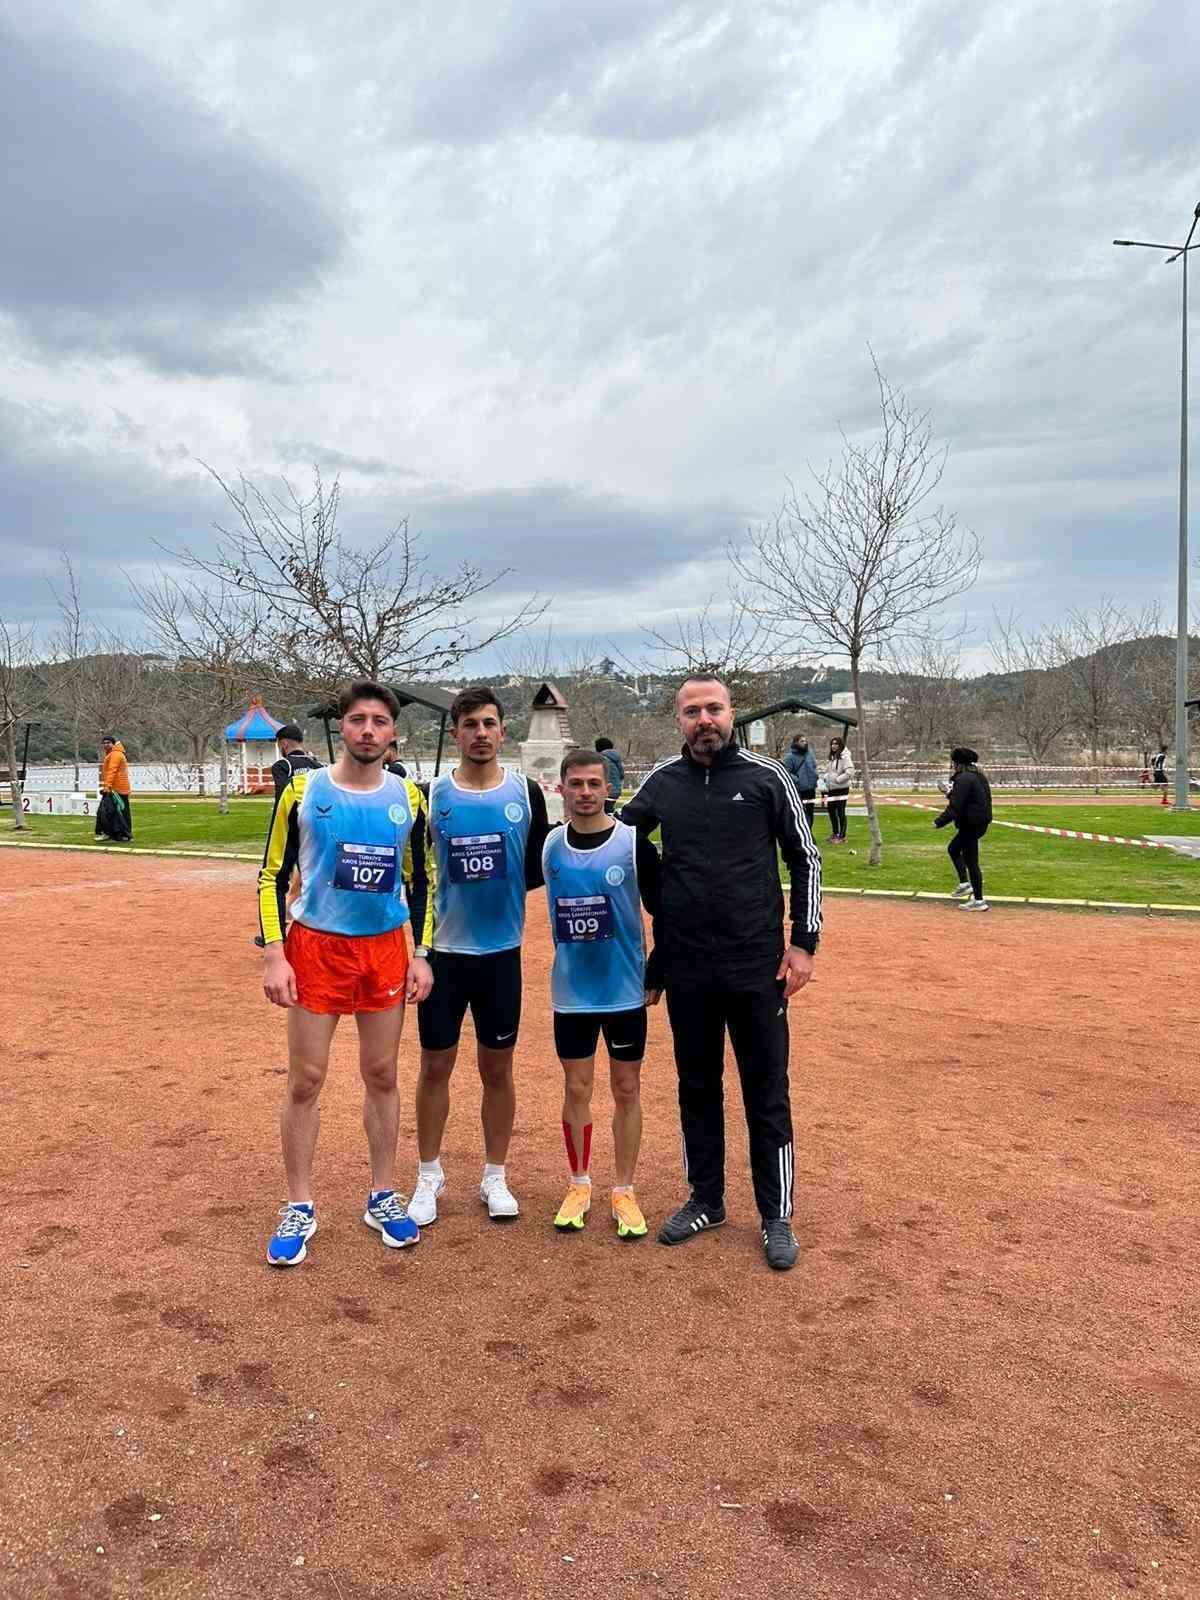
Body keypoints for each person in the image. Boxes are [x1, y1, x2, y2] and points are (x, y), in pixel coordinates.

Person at [620, 675, 822, 1273]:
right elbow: (619, 843)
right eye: (692, 711)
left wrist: (803, 943)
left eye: (713, 709)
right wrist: (655, 929)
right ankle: (706, 1199)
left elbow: (805, 858)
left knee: (766, 1090)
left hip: (756, 965)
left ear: (731, 715)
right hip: (688, 967)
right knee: (697, 1086)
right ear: (679, 720)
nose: (704, 720)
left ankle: (775, 1214)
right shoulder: (663, 781)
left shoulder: (768, 777)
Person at [257, 680, 435, 1268]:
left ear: (393, 732)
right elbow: (270, 876)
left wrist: (421, 952)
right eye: (358, 719)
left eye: (379, 721)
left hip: (383, 951)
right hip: (316, 948)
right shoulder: (303, 790)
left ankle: (383, 1195)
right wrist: (275, 953)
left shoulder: (409, 798)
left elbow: (422, 881)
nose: (367, 730)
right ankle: (299, 1205)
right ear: (343, 727)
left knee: (382, 1074)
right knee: (306, 1080)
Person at [409, 687, 550, 1225]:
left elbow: (536, 869)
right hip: (444, 956)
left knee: (498, 1068)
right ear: (456, 734)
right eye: (470, 725)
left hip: (500, 956)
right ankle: (428, 1175)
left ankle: (495, 1176)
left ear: (503, 731)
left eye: (490, 723)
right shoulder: (431, 795)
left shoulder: (526, 793)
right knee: (434, 1066)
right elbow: (417, 874)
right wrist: (417, 948)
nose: (481, 733)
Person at [543, 748, 663, 1240]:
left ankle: (624, 1190)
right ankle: (579, 1183)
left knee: (626, 1089)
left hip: (624, 991)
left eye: (594, 783)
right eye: (576, 784)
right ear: (562, 789)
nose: (586, 792)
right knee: (576, 1089)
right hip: (572, 992)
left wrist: (658, 970)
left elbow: (664, 910)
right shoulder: (550, 846)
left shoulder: (633, 845)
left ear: (609, 789)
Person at [933, 746, 993, 913]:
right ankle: (964, 884)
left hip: (971, 824)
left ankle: (979, 900)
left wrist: (939, 822)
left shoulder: (964, 779)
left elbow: (956, 806)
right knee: (953, 849)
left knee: (972, 862)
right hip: (977, 822)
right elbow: (965, 798)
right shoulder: (977, 776)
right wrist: (947, 792)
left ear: (957, 763)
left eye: (953, 762)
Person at [97, 735, 133, 840]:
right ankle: (111, 833)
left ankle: (124, 834)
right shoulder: (112, 754)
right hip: (114, 788)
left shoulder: (116, 754)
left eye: (108, 743)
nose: (106, 745)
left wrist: (107, 787)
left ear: (113, 744)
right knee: (108, 812)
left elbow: (112, 770)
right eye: (104, 743)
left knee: (119, 812)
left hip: (118, 789)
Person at [271, 725, 323, 797]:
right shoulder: (319, 766)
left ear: (284, 744)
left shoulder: (281, 766)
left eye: (279, 746)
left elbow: (281, 795)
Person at [820, 735, 854, 844]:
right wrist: (826, 778)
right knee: (831, 810)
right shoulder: (832, 757)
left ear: (840, 745)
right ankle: (835, 833)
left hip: (842, 789)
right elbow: (830, 772)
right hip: (832, 789)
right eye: (832, 744)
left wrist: (838, 780)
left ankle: (842, 836)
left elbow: (850, 772)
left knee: (840, 812)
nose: (833, 746)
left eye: (836, 744)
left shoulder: (845, 757)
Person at [783, 734, 818, 830]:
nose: (805, 743)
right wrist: (797, 780)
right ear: (796, 742)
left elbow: (814, 767)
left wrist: (815, 776)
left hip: (811, 788)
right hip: (798, 789)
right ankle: (799, 832)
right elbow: (786, 772)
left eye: (805, 741)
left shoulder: (809, 755)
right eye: (802, 741)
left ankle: (808, 833)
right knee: (799, 813)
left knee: (810, 812)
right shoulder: (790, 757)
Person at [595, 737, 624, 815]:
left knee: (604, 812)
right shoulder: (616, 757)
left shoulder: (600, 759)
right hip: (617, 790)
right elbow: (622, 775)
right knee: (608, 810)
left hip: (607, 791)